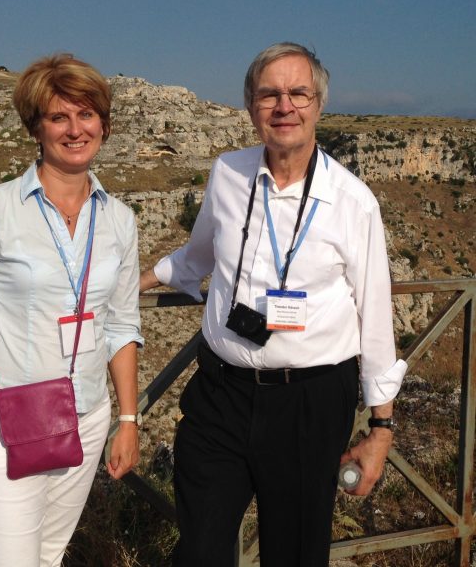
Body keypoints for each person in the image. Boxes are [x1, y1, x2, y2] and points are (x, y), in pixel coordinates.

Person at [140, 42, 407, 566]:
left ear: (318, 105)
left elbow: (375, 316)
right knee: (200, 549)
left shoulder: (352, 201)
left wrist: (381, 429)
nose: (284, 106)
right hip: (220, 394)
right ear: (251, 107)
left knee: (294, 553)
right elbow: (197, 256)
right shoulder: (228, 174)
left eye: (298, 93)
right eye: (269, 95)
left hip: (308, 403)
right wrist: (139, 282)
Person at [0, 53, 143, 566]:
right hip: (6, 420)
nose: (75, 129)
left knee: (48, 558)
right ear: (36, 128)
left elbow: (121, 325)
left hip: (86, 416)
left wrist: (129, 419)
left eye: (86, 114)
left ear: (104, 124)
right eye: (58, 117)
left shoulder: (119, 219)